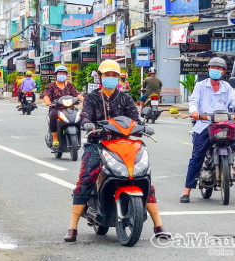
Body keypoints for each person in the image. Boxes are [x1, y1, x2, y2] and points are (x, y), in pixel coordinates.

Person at [64, 59, 171, 242]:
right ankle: (72, 228)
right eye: (107, 75)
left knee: (144, 178)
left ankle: (159, 226)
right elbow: (85, 115)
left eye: (114, 75)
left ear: (119, 79)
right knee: (86, 179)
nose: (111, 78)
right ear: (100, 77)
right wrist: (87, 123)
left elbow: (135, 119)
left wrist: (143, 127)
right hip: (97, 144)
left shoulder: (125, 98)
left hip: (124, 145)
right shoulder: (92, 98)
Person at [180, 57, 235, 203]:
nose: (215, 70)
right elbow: (193, 102)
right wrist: (194, 111)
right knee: (197, 156)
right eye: (213, 68)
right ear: (208, 69)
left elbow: (234, 102)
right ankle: (186, 190)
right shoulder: (200, 86)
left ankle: (230, 167)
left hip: (222, 124)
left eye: (218, 68)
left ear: (223, 71)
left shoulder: (227, 87)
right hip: (203, 124)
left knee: (231, 138)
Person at [42, 65, 84, 148]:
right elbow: (46, 95)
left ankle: (78, 135)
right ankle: (55, 137)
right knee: (53, 115)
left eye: (63, 73)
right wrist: (47, 101)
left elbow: (77, 94)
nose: (62, 75)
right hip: (56, 108)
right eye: (60, 73)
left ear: (66, 75)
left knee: (79, 116)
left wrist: (83, 100)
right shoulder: (51, 86)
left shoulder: (70, 86)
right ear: (56, 75)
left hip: (69, 108)